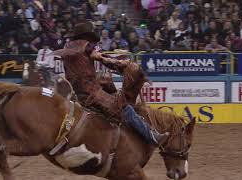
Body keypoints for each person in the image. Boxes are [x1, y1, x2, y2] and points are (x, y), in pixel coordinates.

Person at [33, 0, 169, 146]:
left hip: (78, 95)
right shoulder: (88, 47)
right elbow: (108, 60)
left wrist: (42, 13)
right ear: (87, 36)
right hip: (93, 94)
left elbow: (50, 32)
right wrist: (131, 69)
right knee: (125, 108)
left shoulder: (64, 46)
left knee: (111, 93)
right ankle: (151, 136)